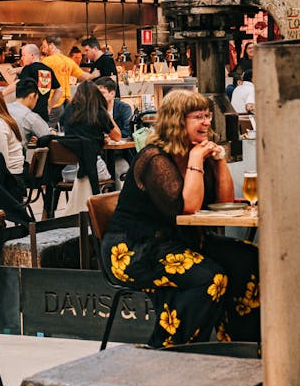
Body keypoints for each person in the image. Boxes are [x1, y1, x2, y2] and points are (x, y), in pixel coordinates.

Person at [103, 90, 260, 348]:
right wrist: (196, 159)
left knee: (249, 258)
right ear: (176, 121)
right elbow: (188, 208)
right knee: (209, 277)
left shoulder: (195, 151)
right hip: (136, 249)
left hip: (182, 242)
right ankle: (171, 348)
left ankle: (240, 344)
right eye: (198, 117)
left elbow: (224, 203)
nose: (206, 122)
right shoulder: (154, 158)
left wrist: (220, 161)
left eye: (208, 116)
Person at [61, 80, 121, 183]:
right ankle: (106, 193)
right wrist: (107, 114)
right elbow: (117, 136)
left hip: (68, 171)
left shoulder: (68, 109)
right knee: (110, 175)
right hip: (93, 169)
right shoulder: (98, 111)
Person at [41, 36, 90, 126]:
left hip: (53, 102)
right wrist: (95, 74)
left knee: (47, 129)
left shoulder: (47, 61)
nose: (43, 50)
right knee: (64, 128)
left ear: (51, 46)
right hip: (66, 102)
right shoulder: (68, 61)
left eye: (44, 46)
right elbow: (85, 76)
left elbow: (41, 83)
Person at [10, 44, 61, 124]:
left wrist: (2, 93)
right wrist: (49, 106)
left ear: (32, 55)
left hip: (29, 116)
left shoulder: (28, 69)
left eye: (23, 55)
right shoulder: (48, 70)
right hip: (43, 115)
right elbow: (59, 90)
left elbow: (17, 84)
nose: (22, 58)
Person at [8, 79, 51, 146]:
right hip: (19, 151)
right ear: (32, 95)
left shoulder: (4, 108)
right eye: (37, 98)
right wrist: (53, 132)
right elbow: (47, 137)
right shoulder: (29, 116)